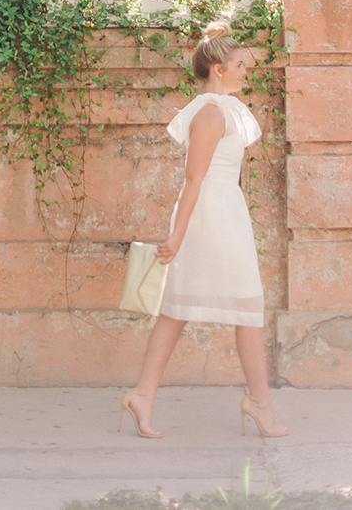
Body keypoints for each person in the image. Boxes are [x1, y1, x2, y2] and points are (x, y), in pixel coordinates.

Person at [118, 23, 288, 440]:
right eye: (239, 64)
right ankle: (258, 404)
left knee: (184, 310)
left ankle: (143, 396)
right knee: (238, 307)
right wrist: (177, 236)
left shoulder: (225, 110)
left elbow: (226, 174)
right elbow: (194, 180)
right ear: (217, 69)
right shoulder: (211, 114)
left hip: (226, 212)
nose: (246, 71)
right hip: (210, 216)